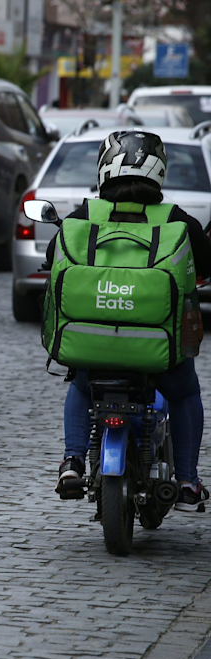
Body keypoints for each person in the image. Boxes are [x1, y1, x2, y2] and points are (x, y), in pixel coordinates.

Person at [51, 130, 211, 511]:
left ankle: (72, 460)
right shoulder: (176, 220)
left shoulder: (85, 215)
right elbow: (204, 265)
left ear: (105, 167)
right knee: (186, 393)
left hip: (92, 346)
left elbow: (53, 256)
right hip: (159, 353)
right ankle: (187, 480)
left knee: (81, 385)